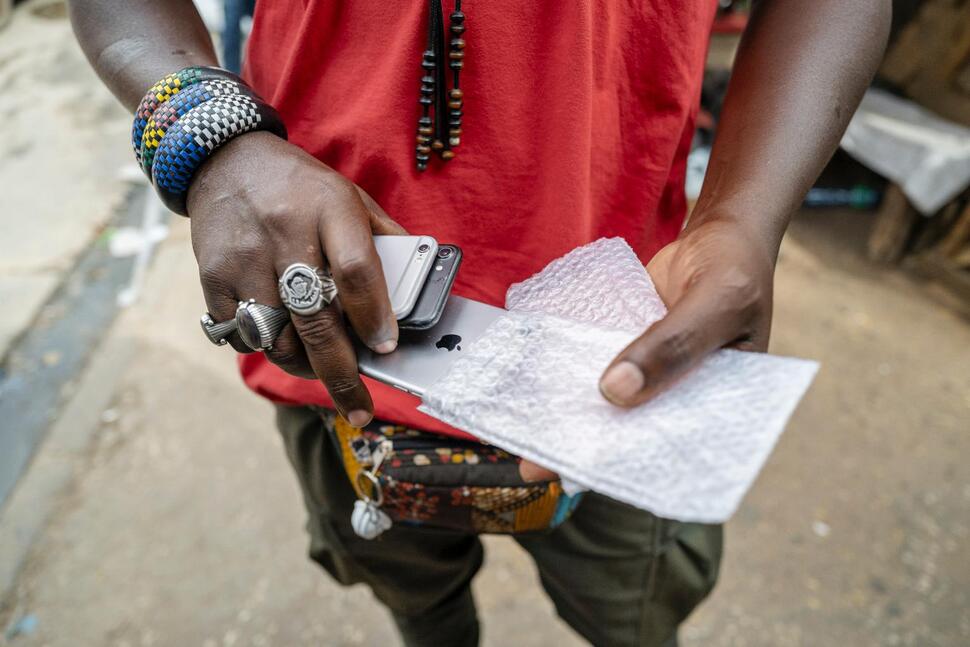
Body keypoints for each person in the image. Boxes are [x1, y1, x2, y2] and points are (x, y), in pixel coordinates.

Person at [69, 1, 890, 644]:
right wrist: (214, 146)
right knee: (414, 599)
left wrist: (743, 217)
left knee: (633, 610)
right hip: (331, 335)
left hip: (621, 348)